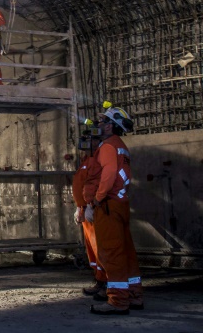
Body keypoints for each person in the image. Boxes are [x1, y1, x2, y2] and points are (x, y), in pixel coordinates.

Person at [83, 106, 143, 315]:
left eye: (102, 122)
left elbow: (107, 176)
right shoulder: (121, 146)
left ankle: (117, 301)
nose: (98, 125)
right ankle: (134, 295)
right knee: (126, 253)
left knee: (112, 253)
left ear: (110, 126)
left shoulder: (108, 146)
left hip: (108, 205)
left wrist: (97, 199)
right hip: (120, 203)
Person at [72, 128, 107, 299]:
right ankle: (99, 279)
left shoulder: (97, 159)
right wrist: (79, 206)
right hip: (85, 208)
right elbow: (81, 184)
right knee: (92, 249)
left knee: (100, 247)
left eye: (89, 140)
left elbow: (95, 184)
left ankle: (107, 283)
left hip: (93, 208)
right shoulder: (86, 158)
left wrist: (90, 205)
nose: (84, 143)